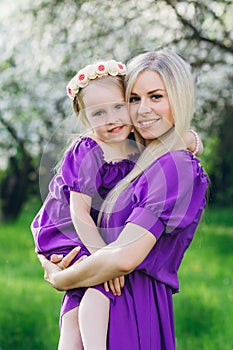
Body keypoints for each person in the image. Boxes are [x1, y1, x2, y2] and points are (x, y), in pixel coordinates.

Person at [38, 48, 209, 349]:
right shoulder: (122, 153)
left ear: (178, 99)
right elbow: (59, 213)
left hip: (131, 303)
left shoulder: (174, 165)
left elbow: (124, 258)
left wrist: (61, 279)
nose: (142, 110)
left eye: (156, 96)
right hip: (101, 289)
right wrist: (46, 257)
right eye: (134, 99)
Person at [31, 59, 140, 350]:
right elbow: (78, 211)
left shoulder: (135, 145)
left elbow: (172, 143)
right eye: (99, 113)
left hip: (86, 232)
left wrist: (192, 140)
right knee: (100, 285)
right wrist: (103, 258)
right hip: (65, 230)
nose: (112, 118)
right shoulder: (89, 150)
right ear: (85, 119)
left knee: (75, 310)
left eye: (118, 107)